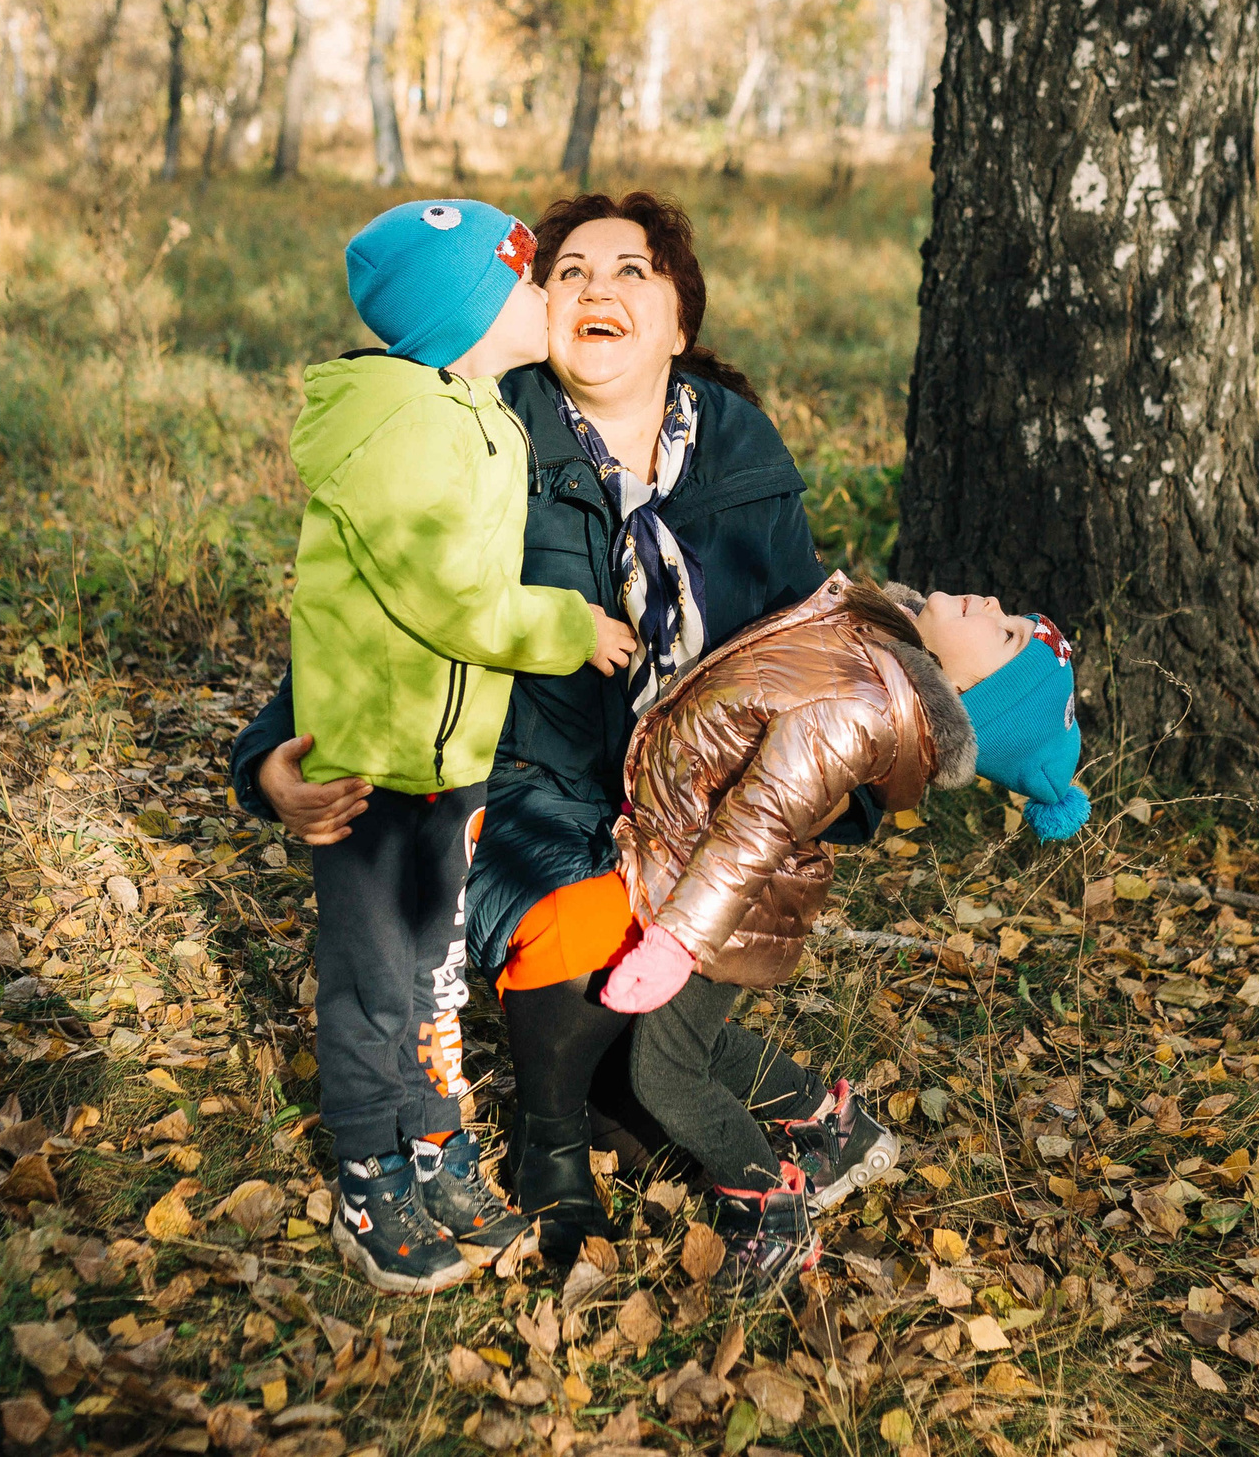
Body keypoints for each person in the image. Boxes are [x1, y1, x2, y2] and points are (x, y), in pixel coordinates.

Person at [232, 191, 870, 1259]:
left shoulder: (740, 453)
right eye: (567, 271)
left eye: (632, 271)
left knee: (650, 1049)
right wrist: (267, 761)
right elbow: (381, 616)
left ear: (678, 320)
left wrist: (815, 804)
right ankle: (548, 1140)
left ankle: (769, 1096)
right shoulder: (474, 426)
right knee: (579, 916)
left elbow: (799, 651)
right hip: (522, 783)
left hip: (697, 801)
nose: (594, 289)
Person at [289, 196, 639, 1295]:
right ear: (470, 313)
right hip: (370, 767)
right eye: (527, 282)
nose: (549, 298)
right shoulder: (407, 426)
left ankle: (431, 1147)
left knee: (434, 975)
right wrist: (564, 626)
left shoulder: (474, 408)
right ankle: (369, 1175)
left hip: (447, 758)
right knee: (373, 981)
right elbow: (451, 598)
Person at [596, 575, 1089, 1296]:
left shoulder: (866, 707)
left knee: (661, 1073)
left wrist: (678, 941)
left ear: (973, 696)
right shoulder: (885, 646)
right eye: (1013, 614)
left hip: (724, 894)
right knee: (687, 1044)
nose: (992, 605)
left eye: (1006, 633)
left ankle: (769, 1203)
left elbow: (761, 817)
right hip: (700, 867)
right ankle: (831, 1127)